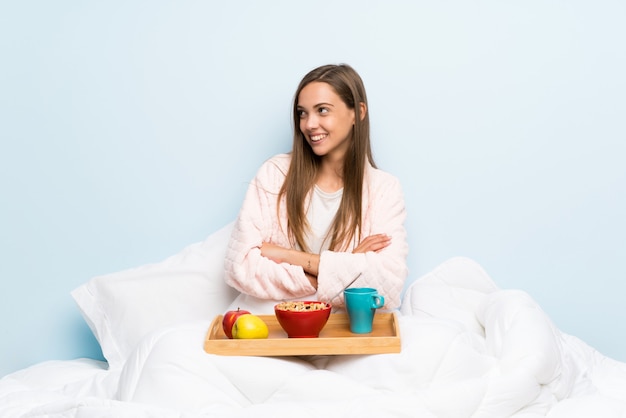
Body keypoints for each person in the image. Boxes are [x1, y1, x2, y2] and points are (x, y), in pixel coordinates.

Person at [224, 64, 409, 310]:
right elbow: (240, 266)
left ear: (358, 112)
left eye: (322, 110)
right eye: (302, 113)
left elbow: (388, 286)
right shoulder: (276, 174)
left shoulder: (384, 189)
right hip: (270, 320)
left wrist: (291, 256)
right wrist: (347, 267)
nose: (309, 124)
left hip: (342, 327)